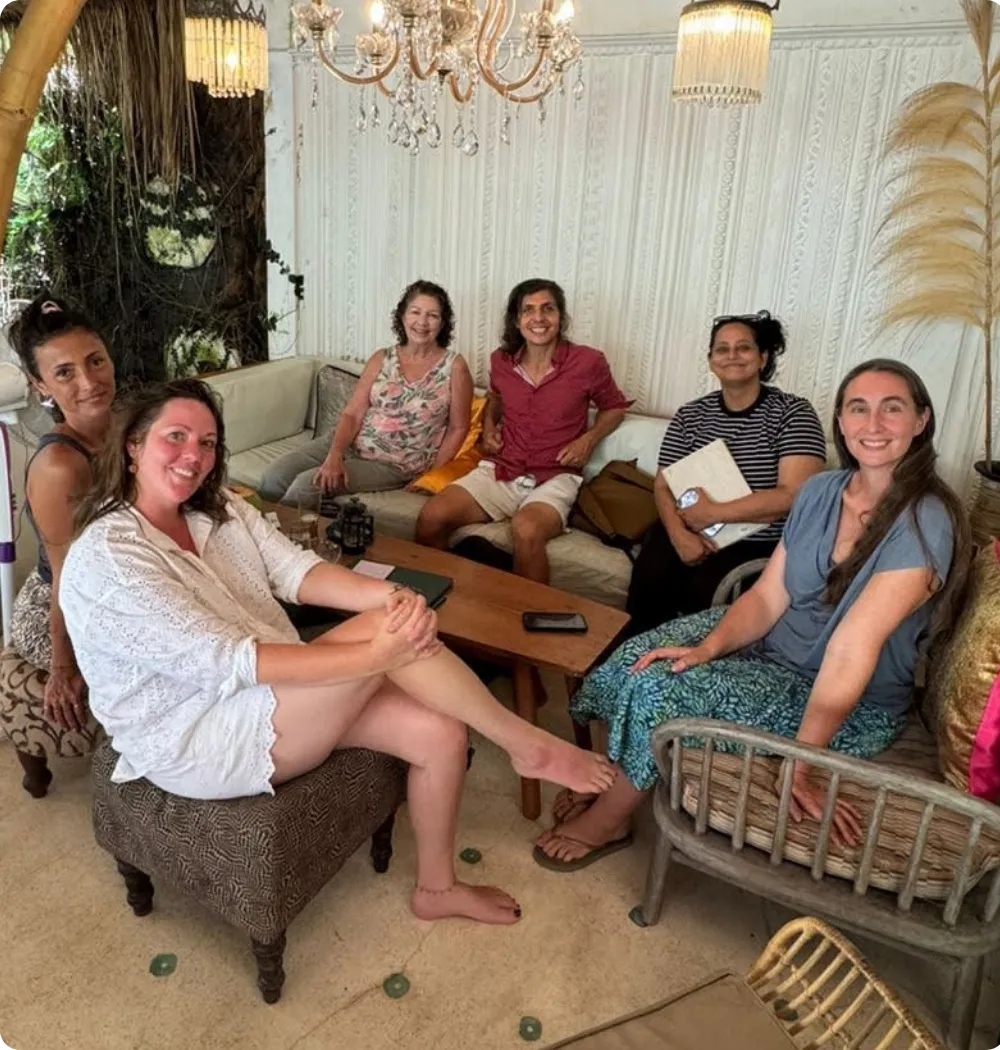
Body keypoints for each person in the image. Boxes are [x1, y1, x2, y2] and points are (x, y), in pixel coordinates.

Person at [59, 379, 615, 925]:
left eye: (207, 442)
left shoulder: (217, 507)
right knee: (387, 638)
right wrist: (379, 655)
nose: (194, 456)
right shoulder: (110, 555)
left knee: (441, 732)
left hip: (271, 688)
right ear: (133, 445)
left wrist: (394, 596)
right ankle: (525, 744)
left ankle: (437, 889)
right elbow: (228, 659)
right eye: (175, 437)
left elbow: (296, 570)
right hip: (195, 733)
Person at [533, 359, 970, 870]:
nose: (873, 424)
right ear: (841, 421)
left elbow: (853, 647)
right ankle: (613, 774)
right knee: (638, 654)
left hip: (843, 698)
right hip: (772, 646)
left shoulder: (925, 521)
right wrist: (708, 649)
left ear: (921, 420)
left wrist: (803, 762)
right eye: (858, 408)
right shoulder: (821, 491)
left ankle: (610, 820)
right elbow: (767, 596)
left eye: (891, 408)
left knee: (661, 690)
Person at [416, 279, 632, 584]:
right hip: (504, 468)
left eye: (548, 309)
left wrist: (588, 440)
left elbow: (615, 407)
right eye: (528, 310)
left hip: (556, 475)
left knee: (526, 530)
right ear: (517, 321)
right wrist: (489, 427)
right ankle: (435, 598)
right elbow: (496, 398)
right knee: (432, 516)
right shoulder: (501, 360)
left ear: (560, 316)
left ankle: (528, 613)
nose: (538, 318)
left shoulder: (588, 361)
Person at [627, 311, 826, 637]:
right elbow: (663, 486)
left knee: (705, 598)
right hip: (690, 529)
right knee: (649, 583)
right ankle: (636, 659)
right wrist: (679, 536)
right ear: (711, 361)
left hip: (757, 543)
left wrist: (714, 512)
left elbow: (794, 495)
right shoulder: (691, 415)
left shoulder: (793, 413)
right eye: (722, 349)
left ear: (762, 358)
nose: (732, 355)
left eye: (743, 347)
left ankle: (692, 664)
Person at [258, 280, 473, 507]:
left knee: (306, 486)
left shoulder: (455, 367)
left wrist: (430, 477)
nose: (422, 322)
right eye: (415, 312)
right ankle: (259, 529)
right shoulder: (382, 358)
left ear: (443, 323)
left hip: (392, 464)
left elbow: (458, 428)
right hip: (349, 443)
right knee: (274, 477)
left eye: (433, 315)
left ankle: (278, 530)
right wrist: (335, 454)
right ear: (402, 316)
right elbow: (352, 413)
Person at [7, 293, 116, 734]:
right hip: (58, 610)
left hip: (119, 587)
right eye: (64, 373)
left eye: (95, 361)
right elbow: (67, 575)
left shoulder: (130, 427)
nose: (89, 382)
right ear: (41, 386)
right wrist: (63, 665)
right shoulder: (60, 466)